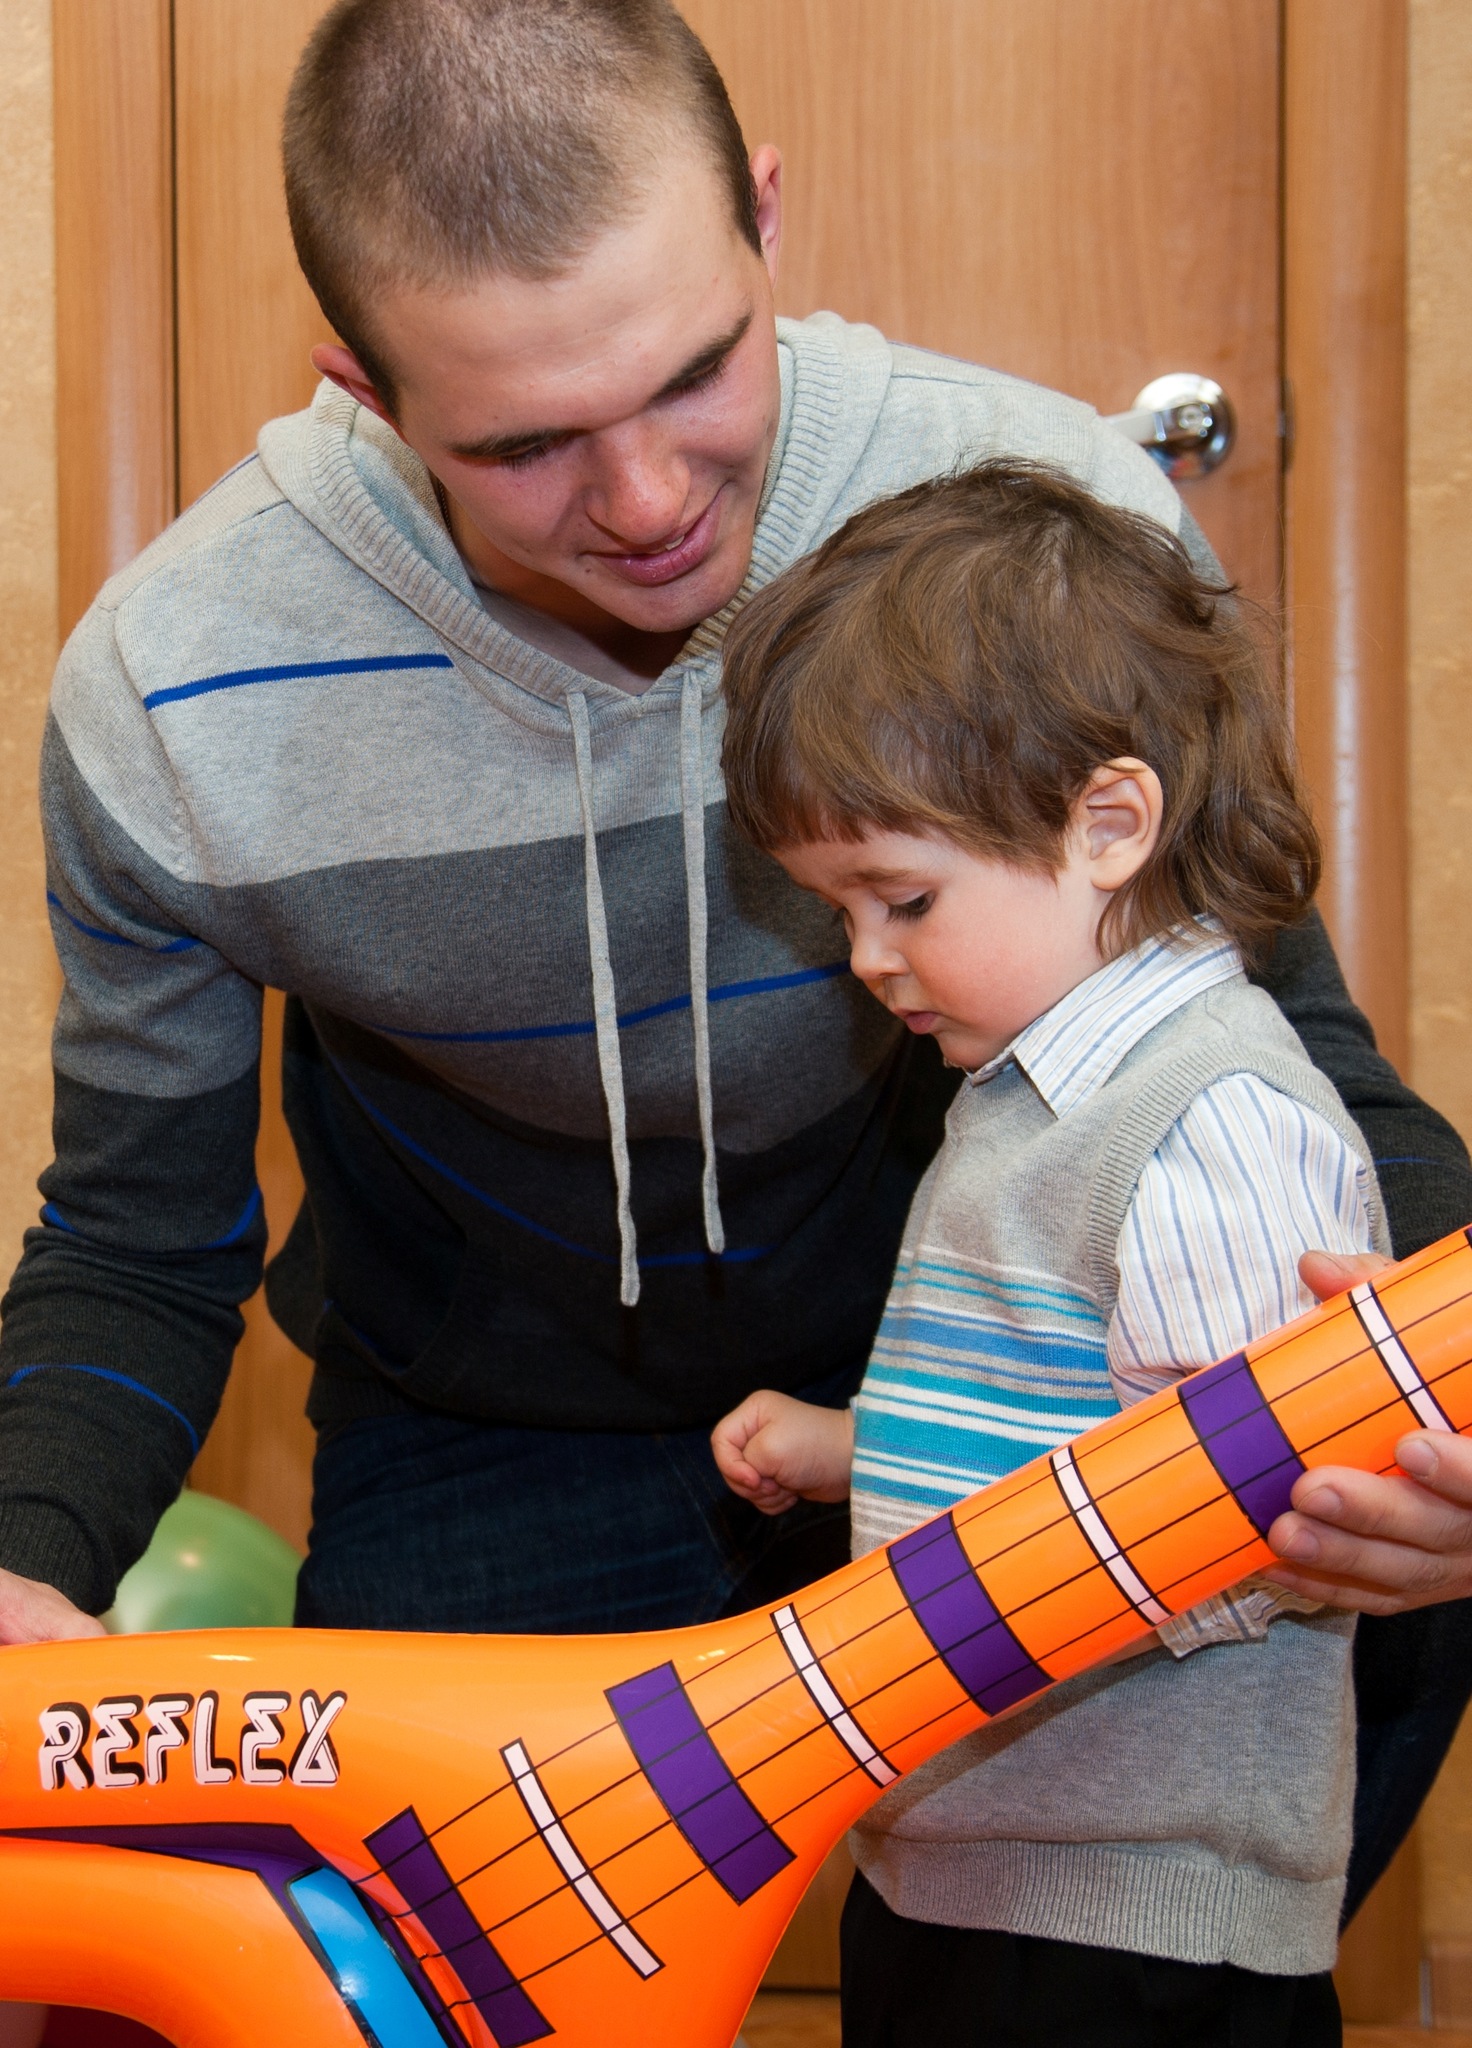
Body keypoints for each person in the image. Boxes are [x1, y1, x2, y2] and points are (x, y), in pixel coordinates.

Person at [1, 0, 1470, 1905]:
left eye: (696, 372)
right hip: (491, 1425)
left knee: (1363, 1650)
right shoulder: (173, 691)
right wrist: (21, 1550)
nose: (645, 501)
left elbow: (1293, 1061)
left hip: (1008, 1377)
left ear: (765, 217)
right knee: (403, 1956)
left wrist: (1433, 1419)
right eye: (526, 444)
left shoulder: (1048, 514)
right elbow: (133, 1240)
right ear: (363, 387)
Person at [710, 459, 1384, 2046]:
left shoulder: (1210, 1120)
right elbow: (1069, 1424)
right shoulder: (1025, 1095)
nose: (868, 958)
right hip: (969, 1865)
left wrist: (976, 1609)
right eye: (839, 912)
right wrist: (859, 1451)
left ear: (1108, 825)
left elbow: (1246, 1525)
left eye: (901, 898)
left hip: (1130, 1911)